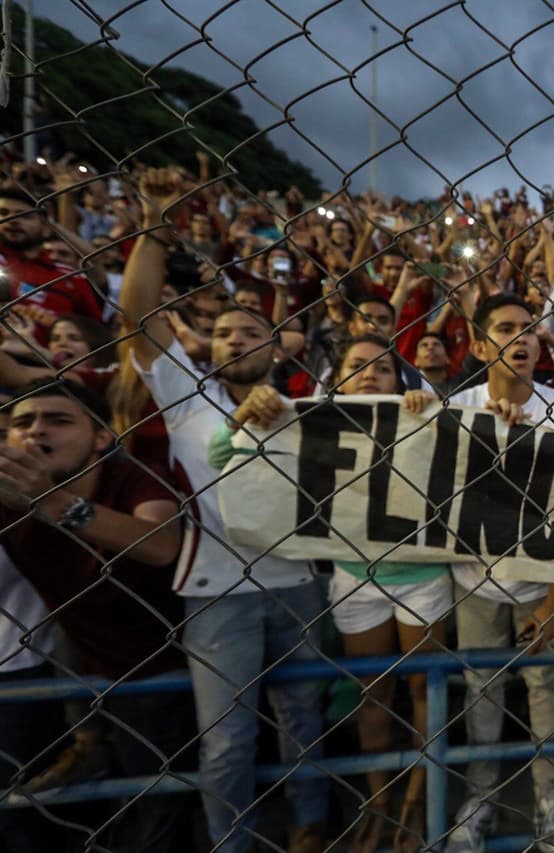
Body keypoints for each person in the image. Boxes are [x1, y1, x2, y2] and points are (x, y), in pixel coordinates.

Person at [119, 168, 329, 853]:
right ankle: (230, 844)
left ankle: (308, 825)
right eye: (227, 331)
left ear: (277, 349)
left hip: (297, 582)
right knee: (228, 741)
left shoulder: (309, 411)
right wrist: (154, 220)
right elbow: (137, 318)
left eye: (252, 332)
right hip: (217, 592)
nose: (237, 339)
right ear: (209, 346)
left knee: (303, 720)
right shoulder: (186, 393)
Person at [210, 335, 446, 853]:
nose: (370, 375)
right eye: (358, 366)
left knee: (426, 695)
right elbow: (218, 454)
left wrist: (430, 413)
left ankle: (418, 804)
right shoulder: (307, 421)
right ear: (336, 377)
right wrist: (243, 418)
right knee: (373, 695)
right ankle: (379, 802)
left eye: (383, 369)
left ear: (398, 380)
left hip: (422, 577)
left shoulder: (420, 414)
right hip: (355, 578)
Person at [0, 379, 195, 852]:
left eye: (59, 420)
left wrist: (52, 502)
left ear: (102, 438)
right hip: (85, 670)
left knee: (159, 807)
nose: (36, 431)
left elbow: (160, 543)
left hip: (166, 667)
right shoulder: (7, 495)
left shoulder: (135, 477)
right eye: (22, 422)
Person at [445, 293, 554, 853]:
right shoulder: (456, 407)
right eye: (506, 329)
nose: (523, 338)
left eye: (529, 329)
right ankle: (479, 798)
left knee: (545, 693)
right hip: (473, 580)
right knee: (481, 695)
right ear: (480, 347)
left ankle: (550, 801)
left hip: (541, 580)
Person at [0, 182, 104, 347]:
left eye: (25, 216)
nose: (12, 220)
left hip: (49, 366)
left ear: (45, 225)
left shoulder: (69, 276)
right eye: (3, 213)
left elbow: (93, 331)